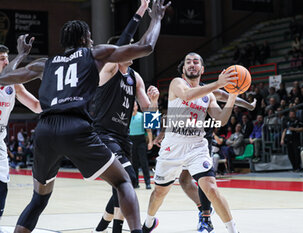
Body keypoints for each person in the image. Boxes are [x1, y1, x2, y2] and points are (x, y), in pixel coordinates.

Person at [0, 1, 170, 232]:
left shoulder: (48, 63)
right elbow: (145, 45)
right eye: (89, 37)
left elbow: (5, 77)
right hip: (91, 130)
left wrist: (20, 55)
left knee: (39, 198)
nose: (91, 40)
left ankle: (107, 222)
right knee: (125, 180)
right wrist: (154, 17)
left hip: (56, 130)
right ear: (84, 39)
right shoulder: (103, 61)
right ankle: (121, 227)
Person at [143, 52, 240, 233]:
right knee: (159, 193)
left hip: (197, 146)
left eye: (196, 62)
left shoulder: (209, 95)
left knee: (210, 187)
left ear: (202, 69)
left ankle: (232, 229)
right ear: (183, 68)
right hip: (172, 146)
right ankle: (149, 222)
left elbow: (220, 119)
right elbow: (186, 96)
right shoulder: (177, 83)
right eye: (188, 62)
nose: (192, 64)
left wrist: (233, 97)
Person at [92, 1, 160, 231]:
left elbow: (146, 109)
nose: (132, 50)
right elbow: (123, 41)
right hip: (103, 135)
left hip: (123, 138)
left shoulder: (136, 78)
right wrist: (142, 10)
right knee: (130, 179)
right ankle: (117, 227)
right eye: (128, 48)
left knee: (120, 186)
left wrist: (155, 103)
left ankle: (105, 220)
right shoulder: (108, 70)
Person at [0, 36, 43, 230]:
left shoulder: (14, 84)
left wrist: (58, 100)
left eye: (7, 58)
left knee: (2, 187)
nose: (6, 62)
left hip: (0, 140)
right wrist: (22, 55)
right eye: (2, 58)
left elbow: (35, 105)